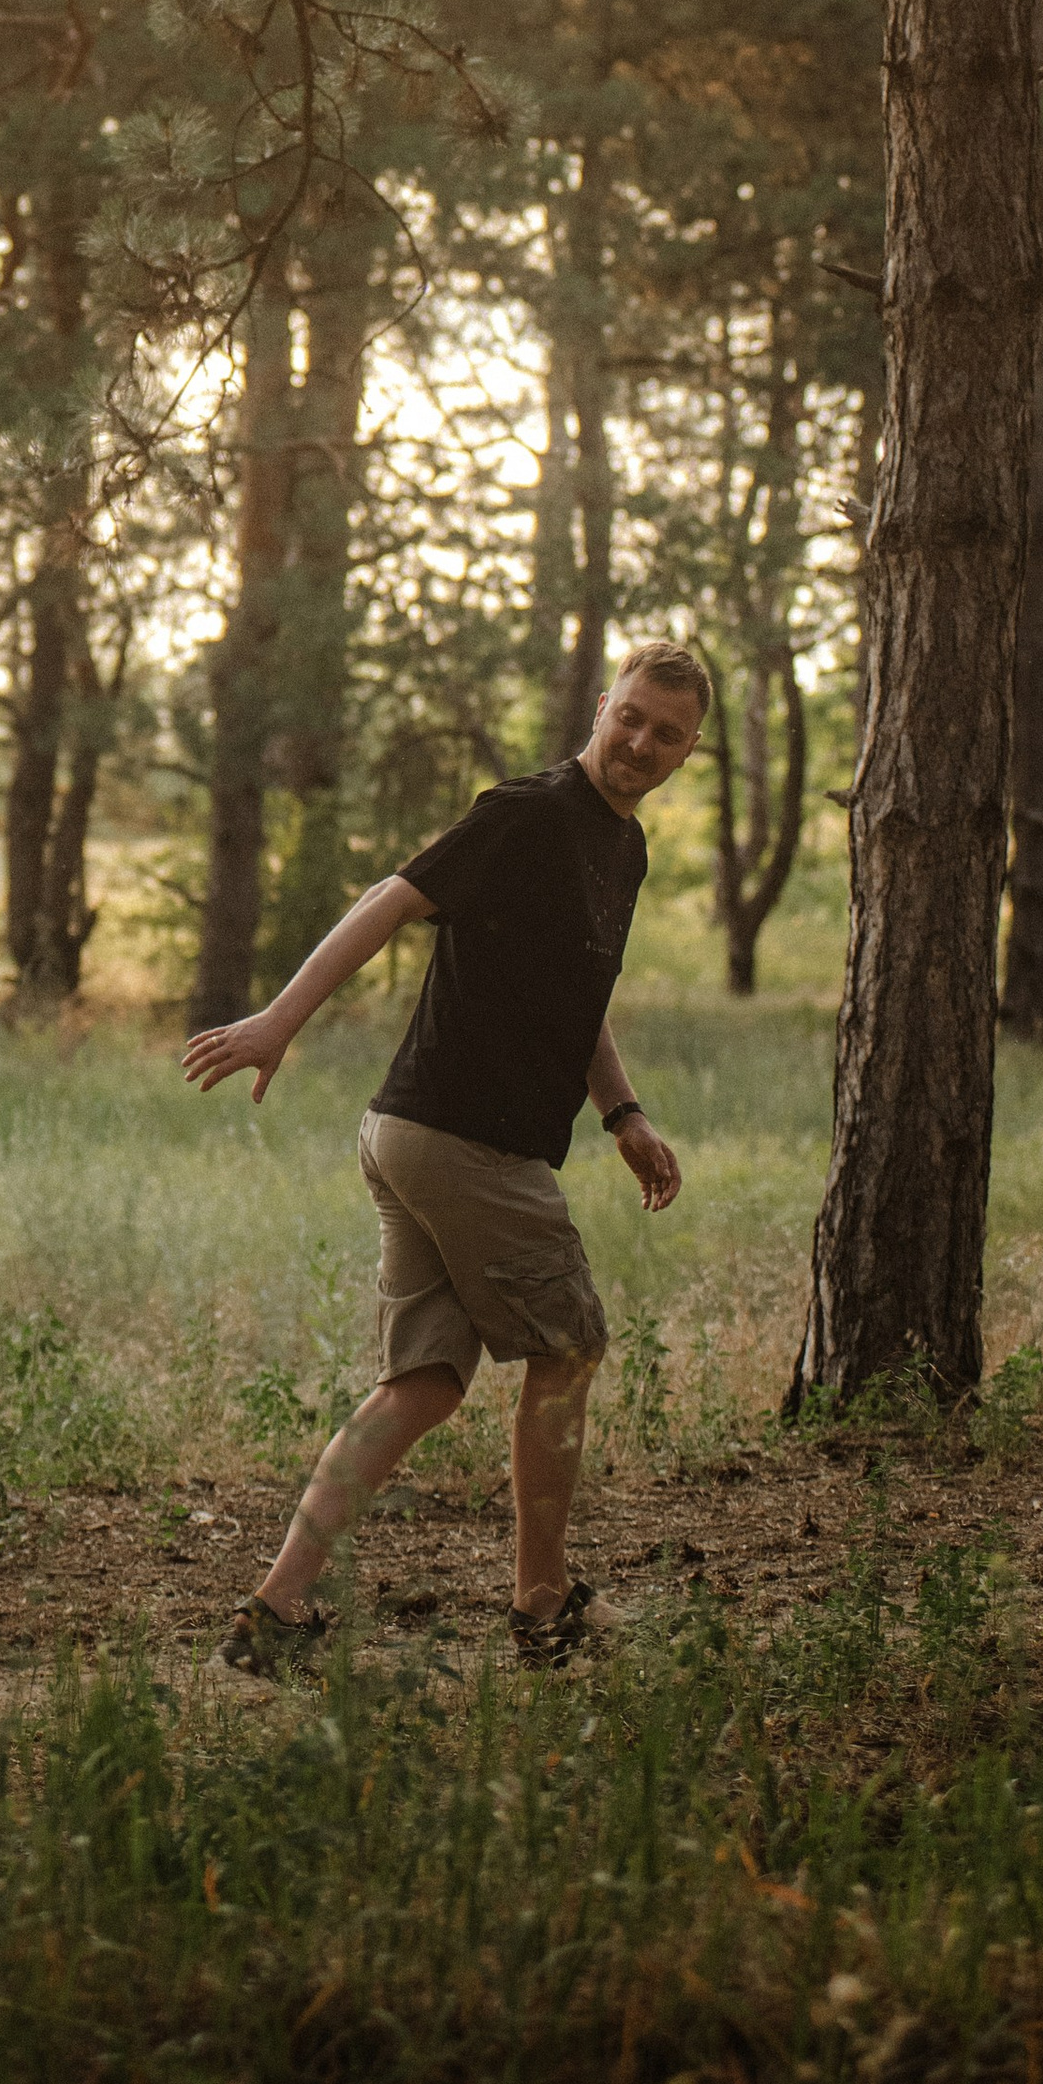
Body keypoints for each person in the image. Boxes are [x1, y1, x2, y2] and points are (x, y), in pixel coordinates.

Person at [182, 642, 705, 1670]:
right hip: (462, 1140)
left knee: (423, 1386)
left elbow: (576, 999)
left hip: (414, 1136)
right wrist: (279, 1020)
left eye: (667, 733)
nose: (641, 742)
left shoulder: (620, 848)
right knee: (565, 1351)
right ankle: (542, 1606)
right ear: (602, 705)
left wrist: (623, 1113)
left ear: (689, 750)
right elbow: (392, 894)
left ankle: (275, 1609)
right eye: (631, 717)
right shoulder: (531, 812)